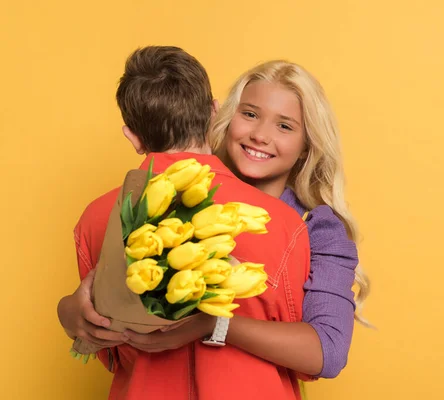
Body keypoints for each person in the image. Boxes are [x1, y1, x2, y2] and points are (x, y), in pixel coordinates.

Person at [57, 46, 316, 400]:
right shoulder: (280, 221)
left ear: (132, 135)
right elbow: (304, 356)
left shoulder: (95, 218)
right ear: (213, 113)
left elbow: (107, 346)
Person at [209, 60, 371, 382]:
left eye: (284, 126)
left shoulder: (320, 230)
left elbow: (329, 350)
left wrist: (214, 323)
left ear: (305, 147)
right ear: (228, 119)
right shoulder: (187, 195)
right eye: (250, 114)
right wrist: (77, 312)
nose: (260, 135)